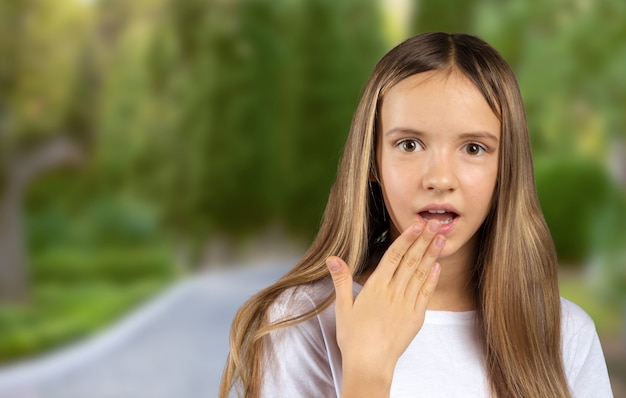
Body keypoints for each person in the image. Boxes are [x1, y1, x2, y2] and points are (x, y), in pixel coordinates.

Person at [219, 32, 613, 398]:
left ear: (506, 168)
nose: (440, 179)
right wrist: (368, 372)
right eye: (409, 144)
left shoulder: (566, 335)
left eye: (474, 148)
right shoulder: (301, 321)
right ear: (372, 160)